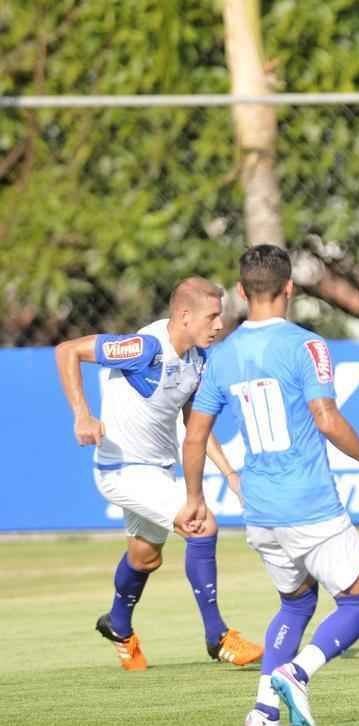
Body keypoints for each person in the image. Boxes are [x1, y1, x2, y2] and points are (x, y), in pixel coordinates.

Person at [181, 244, 359, 726]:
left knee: (297, 604)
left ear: (241, 292)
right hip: (309, 505)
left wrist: (195, 498)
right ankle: (297, 672)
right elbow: (326, 418)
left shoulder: (220, 356)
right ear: (289, 288)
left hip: (260, 511)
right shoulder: (307, 346)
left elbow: (194, 437)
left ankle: (263, 711)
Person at [54, 277, 262, 671]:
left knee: (145, 558)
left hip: (158, 471)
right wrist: (82, 414)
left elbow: (195, 427)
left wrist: (230, 474)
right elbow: (67, 351)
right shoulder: (144, 348)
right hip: (121, 469)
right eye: (212, 316)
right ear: (184, 316)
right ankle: (218, 637)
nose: (219, 324)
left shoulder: (198, 360)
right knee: (200, 524)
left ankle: (118, 624)